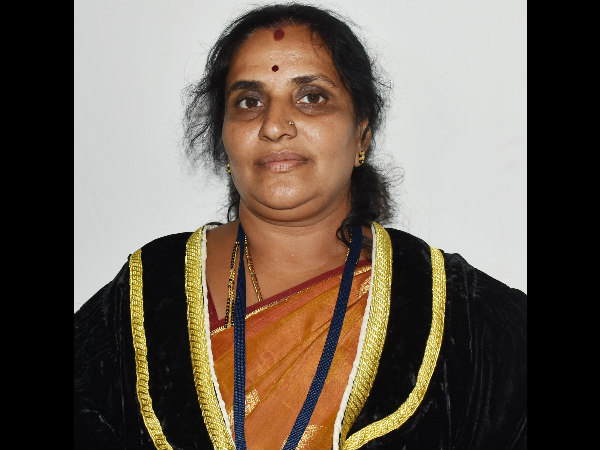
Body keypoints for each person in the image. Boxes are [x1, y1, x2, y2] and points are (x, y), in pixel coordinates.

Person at [74, 3, 526, 449]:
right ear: (224, 135)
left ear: (362, 133)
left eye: (312, 97)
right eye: (249, 102)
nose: (274, 126)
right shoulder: (148, 291)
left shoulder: (455, 310)